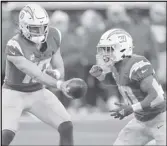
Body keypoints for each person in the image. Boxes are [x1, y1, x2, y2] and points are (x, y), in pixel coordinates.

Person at [2, 4, 74, 146]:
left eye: (43, 27)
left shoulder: (54, 35)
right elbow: (36, 74)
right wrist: (60, 84)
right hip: (14, 93)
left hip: (38, 92)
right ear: (23, 27)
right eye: (35, 28)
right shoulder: (14, 45)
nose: (40, 31)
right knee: (6, 135)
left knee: (66, 126)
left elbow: (59, 63)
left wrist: (57, 73)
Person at [89, 28, 166, 145]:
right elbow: (116, 80)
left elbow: (157, 97)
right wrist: (101, 76)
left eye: (108, 49)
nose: (104, 53)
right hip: (140, 120)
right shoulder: (116, 66)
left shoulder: (136, 65)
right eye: (103, 49)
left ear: (122, 48)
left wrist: (131, 108)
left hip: (160, 119)